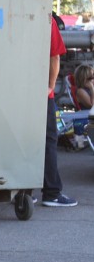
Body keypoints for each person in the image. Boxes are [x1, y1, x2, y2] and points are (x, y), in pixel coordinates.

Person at [42, 15, 77, 207]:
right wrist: (50, 86)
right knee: (48, 139)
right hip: (41, 93)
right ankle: (52, 192)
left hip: (17, 91)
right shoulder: (48, 20)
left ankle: (24, 190)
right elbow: (55, 56)